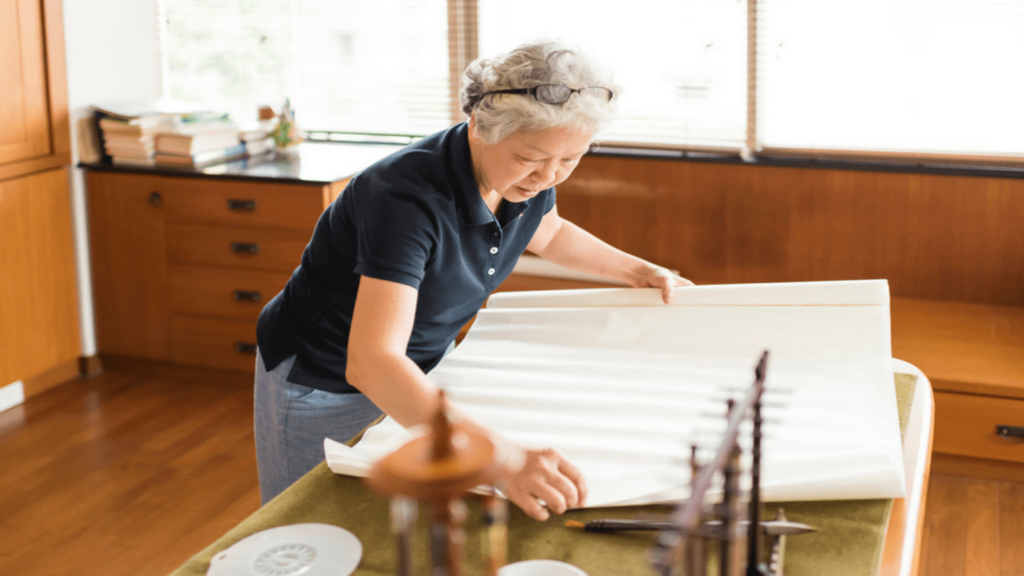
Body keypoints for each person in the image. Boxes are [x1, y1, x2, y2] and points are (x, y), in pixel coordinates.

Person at [254, 40, 693, 520]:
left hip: (419, 365)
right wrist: (502, 459)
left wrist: (640, 271)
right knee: (305, 522)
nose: (548, 176)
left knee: (392, 518)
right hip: (324, 379)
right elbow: (373, 363)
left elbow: (551, 232)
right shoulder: (403, 199)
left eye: (570, 160)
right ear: (479, 127)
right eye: (531, 158)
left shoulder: (521, 177)